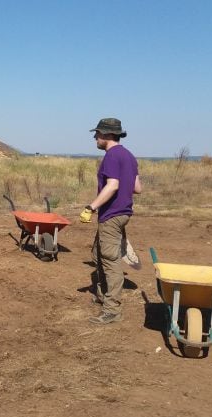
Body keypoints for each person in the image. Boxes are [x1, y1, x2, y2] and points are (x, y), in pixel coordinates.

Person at [81, 118, 142, 324]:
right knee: (98, 254)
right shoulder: (129, 156)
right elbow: (137, 188)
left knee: (110, 261)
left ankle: (112, 310)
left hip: (112, 215)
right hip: (123, 213)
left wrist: (91, 207)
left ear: (107, 135)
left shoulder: (111, 156)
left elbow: (113, 185)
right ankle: (102, 294)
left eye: (97, 134)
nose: (95, 137)